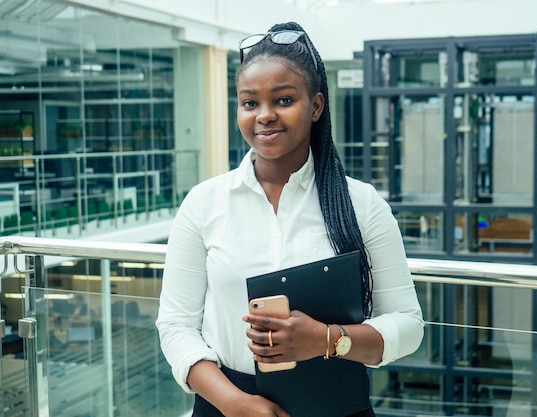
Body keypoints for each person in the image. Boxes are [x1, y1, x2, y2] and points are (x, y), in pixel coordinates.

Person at [156, 21, 424, 417]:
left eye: (283, 100)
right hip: (227, 404)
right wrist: (235, 403)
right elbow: (176, 326)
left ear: (315, 106)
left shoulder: (362, 204)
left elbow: (408, 325)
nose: (264, 116)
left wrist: (327, 340)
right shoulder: (203, 203)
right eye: (249, 103)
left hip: (336, 404)